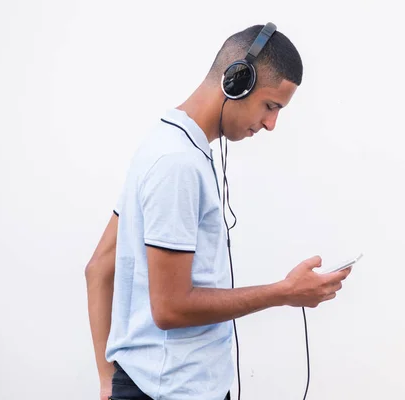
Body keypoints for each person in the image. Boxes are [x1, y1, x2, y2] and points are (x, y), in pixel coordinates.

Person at [85, 23, 351, 400]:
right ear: (237, 81)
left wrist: (106, 381)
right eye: (271, 106)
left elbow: (98, 267)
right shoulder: (177, 164)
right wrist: (283, 292)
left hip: (162, 388)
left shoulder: (165, 145)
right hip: (172, 393)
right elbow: (170, 307)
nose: (272, 124)